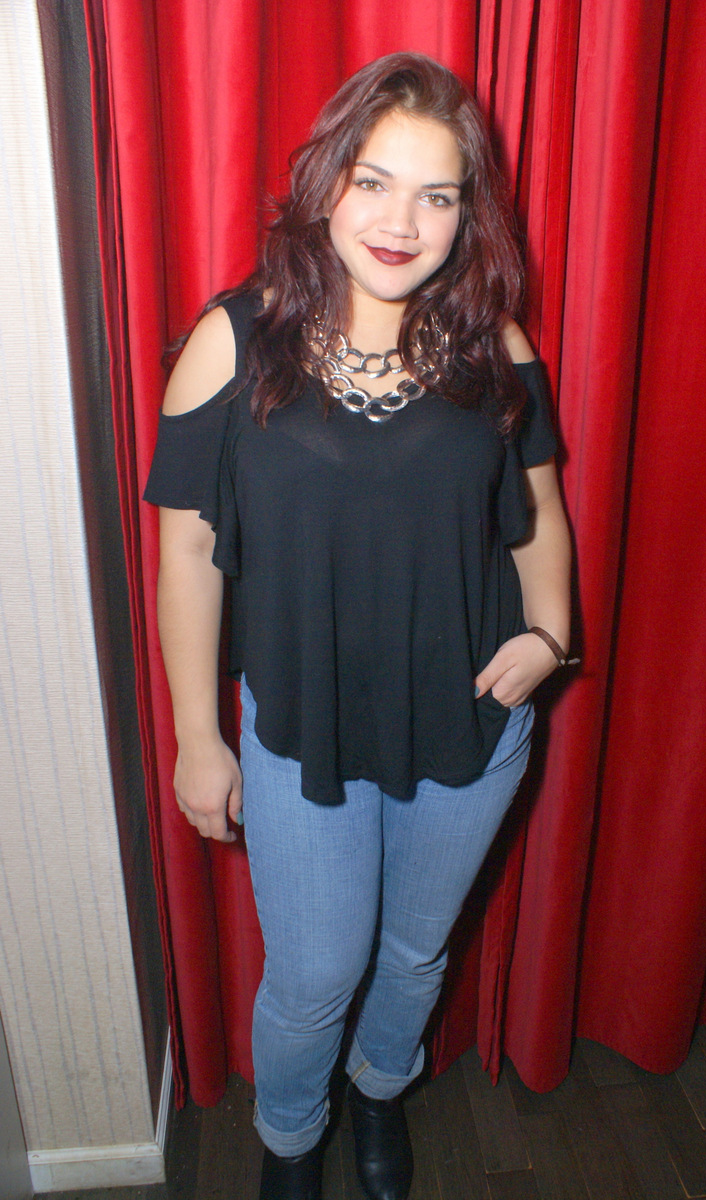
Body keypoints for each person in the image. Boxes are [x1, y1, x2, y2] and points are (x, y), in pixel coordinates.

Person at [145, 52, 573, 1200]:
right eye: (374, 182)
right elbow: (185, 550)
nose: (400, 223)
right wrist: (198, 737)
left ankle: (382, 1087)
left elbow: (537, 514)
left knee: (416, 951)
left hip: (470, 718)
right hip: (302, 727)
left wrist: (549, 638)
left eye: (437, 196)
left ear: (467, 215)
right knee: (314, 974)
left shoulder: (494, 344)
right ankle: (292, 1139)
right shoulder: (237, 339)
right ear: (326, 181)